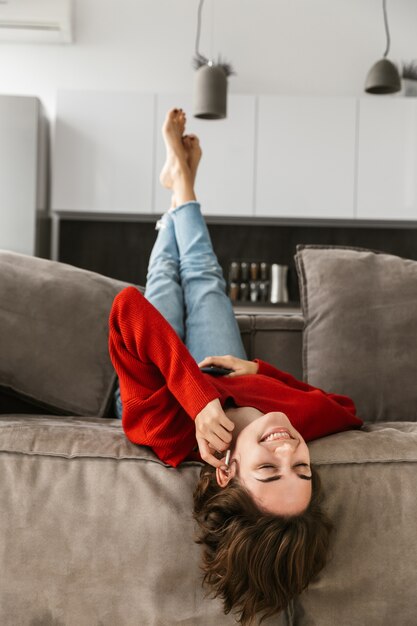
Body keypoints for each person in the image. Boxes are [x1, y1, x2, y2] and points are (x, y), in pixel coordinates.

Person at [108, 108, 363, 625]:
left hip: (160, 375)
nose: (290, 448)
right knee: (202, 276)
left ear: (225, 471)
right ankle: (183, 185)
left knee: (165, 283)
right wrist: (259, 373)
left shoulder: (164, 431)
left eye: (269, 469)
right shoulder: (297, 425)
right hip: (227, 377)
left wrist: (200, 404)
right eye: (303, 468)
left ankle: (179, 186)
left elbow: (127, 309)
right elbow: (347, 410)